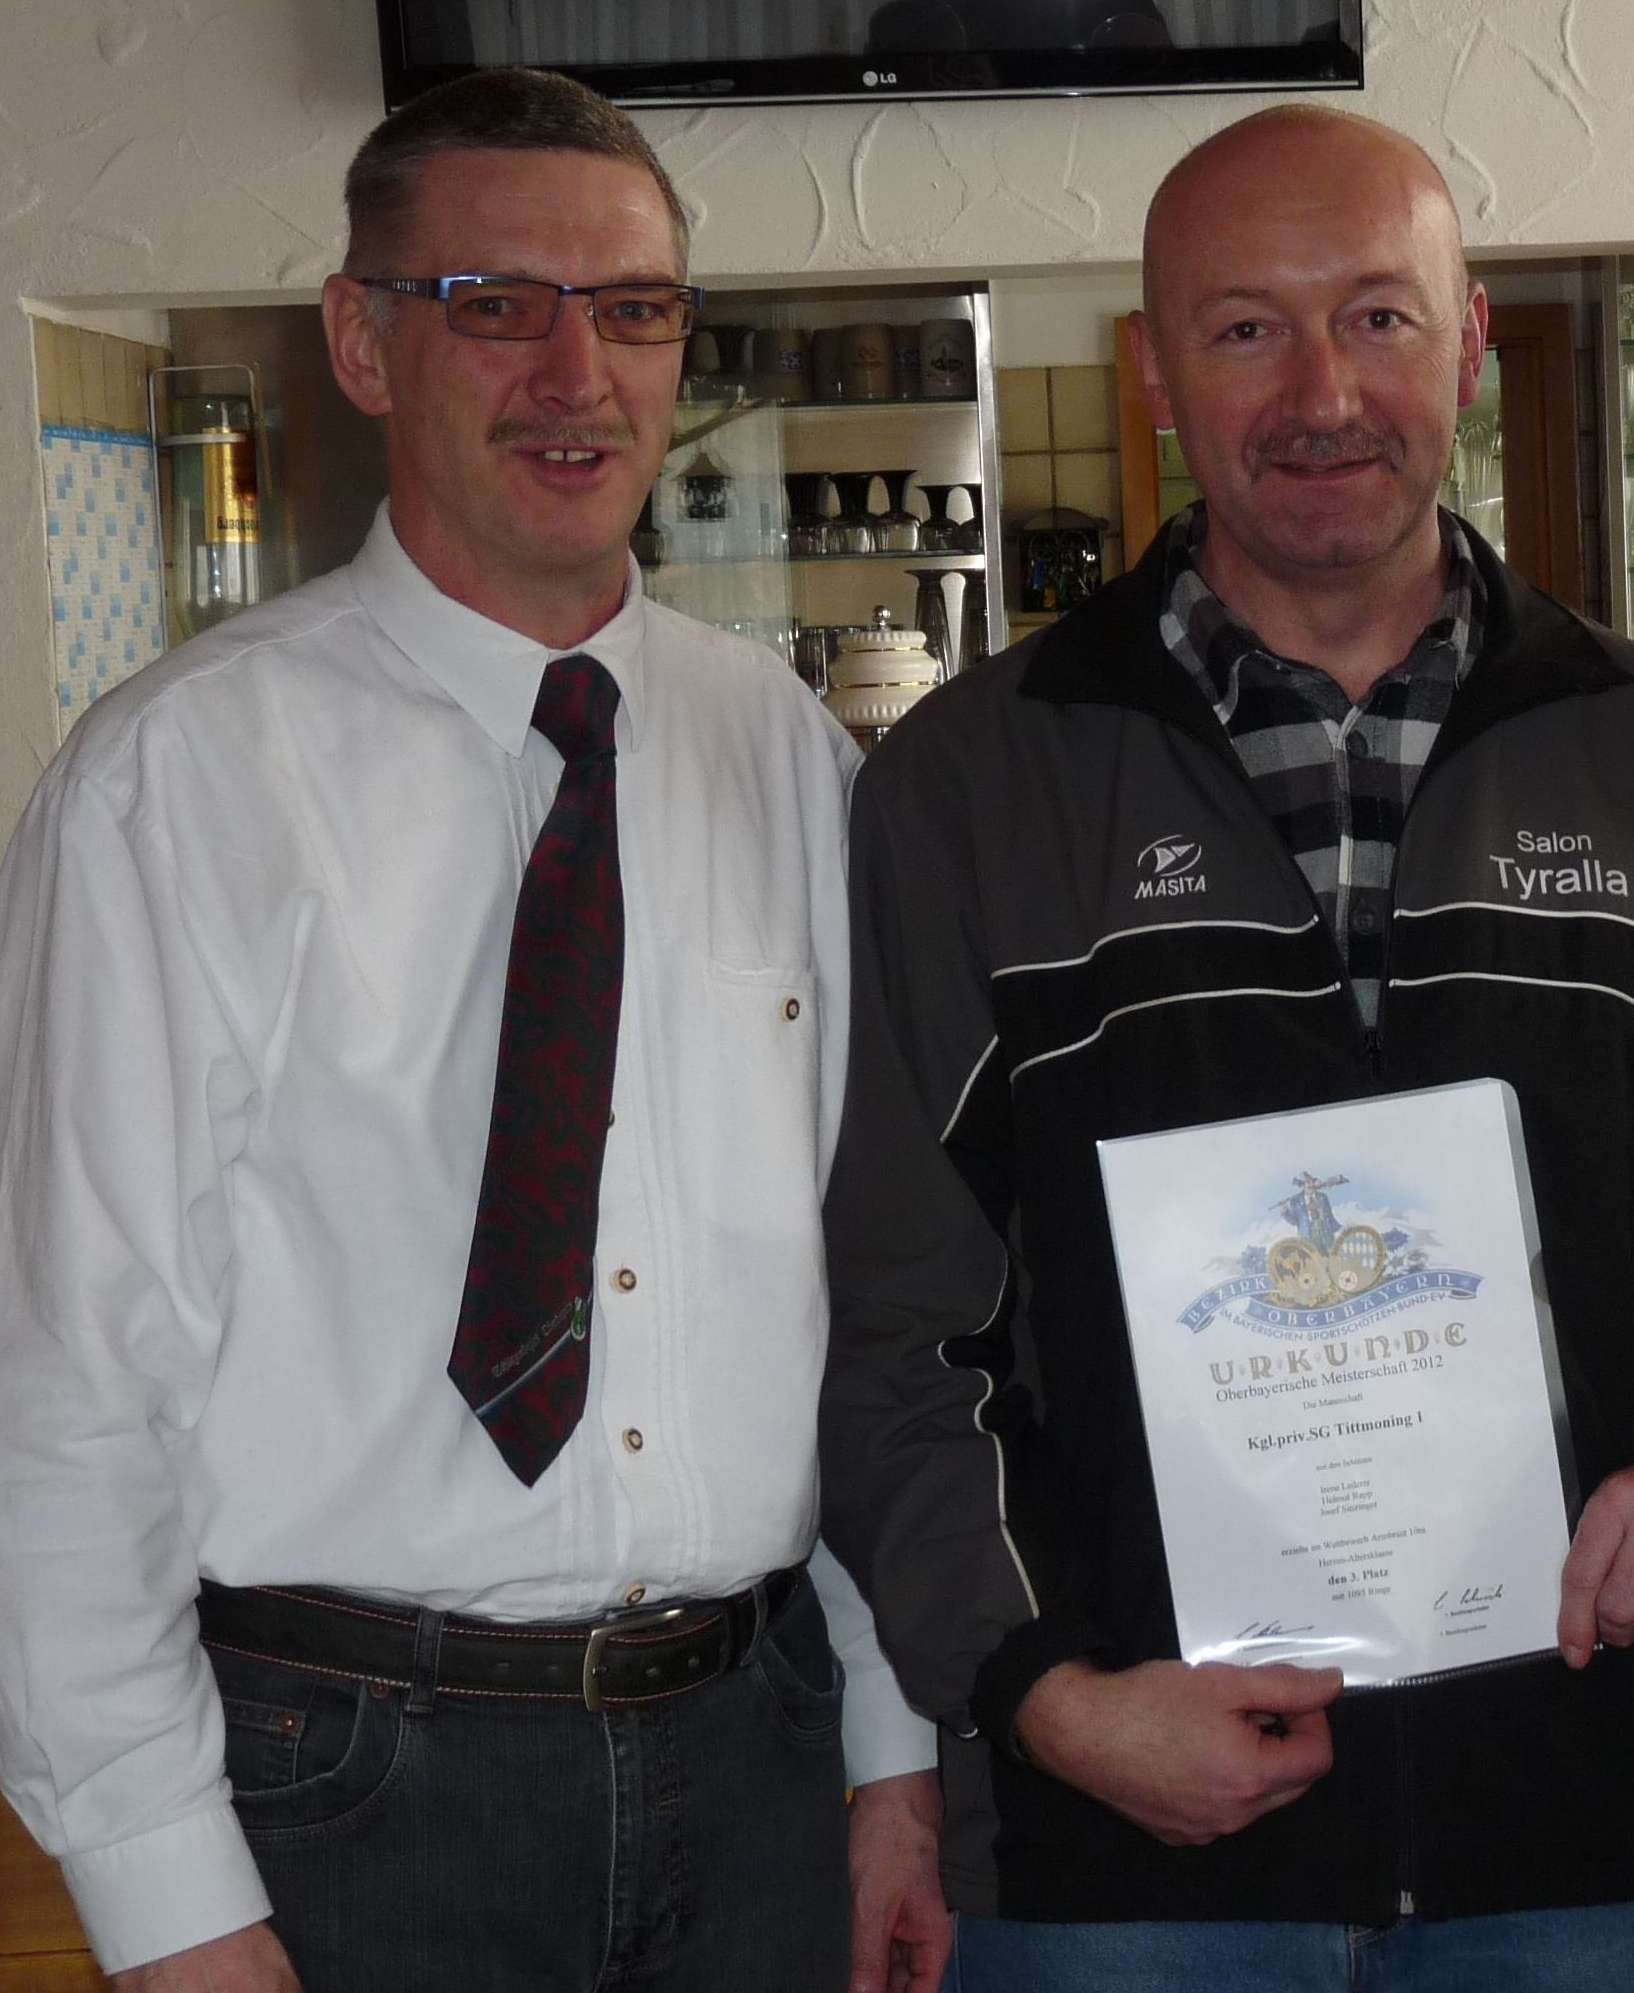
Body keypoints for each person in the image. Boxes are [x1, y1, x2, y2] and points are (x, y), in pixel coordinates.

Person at [819, 103, 1634, 1993]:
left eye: (1380, 317)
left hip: (1570, 1825)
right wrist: (1041, 1693)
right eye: (1246, 329)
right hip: (1124, 1858)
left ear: (1467, 348)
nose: (1322, 392)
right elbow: (896, 1319)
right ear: (1157, 374)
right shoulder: (963, 794)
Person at [0, 70, 948, 1993]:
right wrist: (171, 1909)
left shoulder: (784, 753)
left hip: (759, 1758)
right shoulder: (173, 782)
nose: (576, 374)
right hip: (346, 1788)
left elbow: (866, 1301)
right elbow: (66, 1381)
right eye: (497, 304)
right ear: (364, 340)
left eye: (635, 309)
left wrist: (889, 1755)